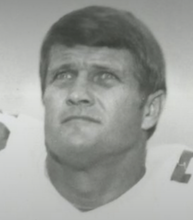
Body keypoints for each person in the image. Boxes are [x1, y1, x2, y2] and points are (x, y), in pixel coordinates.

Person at [0, 5, 193, 220]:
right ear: (44, 95)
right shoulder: (9, 152)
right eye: (64, 75)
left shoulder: (182, 190)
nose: (77, 94)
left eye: (105, 76)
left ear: (150, 109)